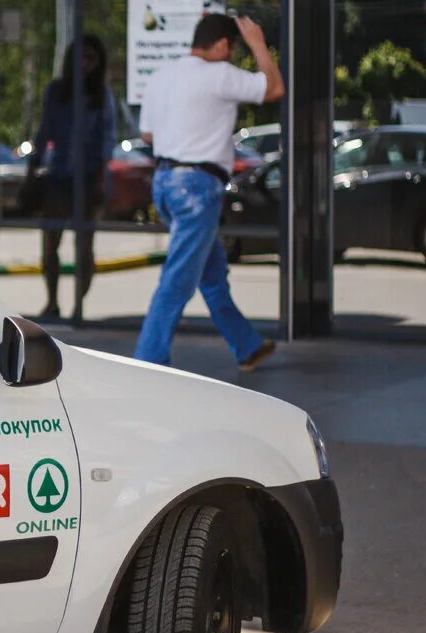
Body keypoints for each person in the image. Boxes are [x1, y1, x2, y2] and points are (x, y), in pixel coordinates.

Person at [134, 14, 283, 371]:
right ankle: (147, 362)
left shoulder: (162, 77)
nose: (232, 56)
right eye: (232, 49)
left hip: (165, 185)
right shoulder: (220, 74)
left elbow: (148, 136)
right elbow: (274, 88)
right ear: (221, 45)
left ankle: (247, 346)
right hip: (197, 189)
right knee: (178, 280)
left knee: (212, 274)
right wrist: (258, 43)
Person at [27, 34, 117, 324]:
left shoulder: (101, 95)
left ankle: (78, 303)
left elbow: (107, 138)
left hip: (89, 177)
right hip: (58, 176)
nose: (86, 64)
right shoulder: (56, 91)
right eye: (82, 57)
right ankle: (52, 301)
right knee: (49, 242)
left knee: (85, 246)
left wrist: (101, 178)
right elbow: (45, 130)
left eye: (92, 58)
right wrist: (34, 165)